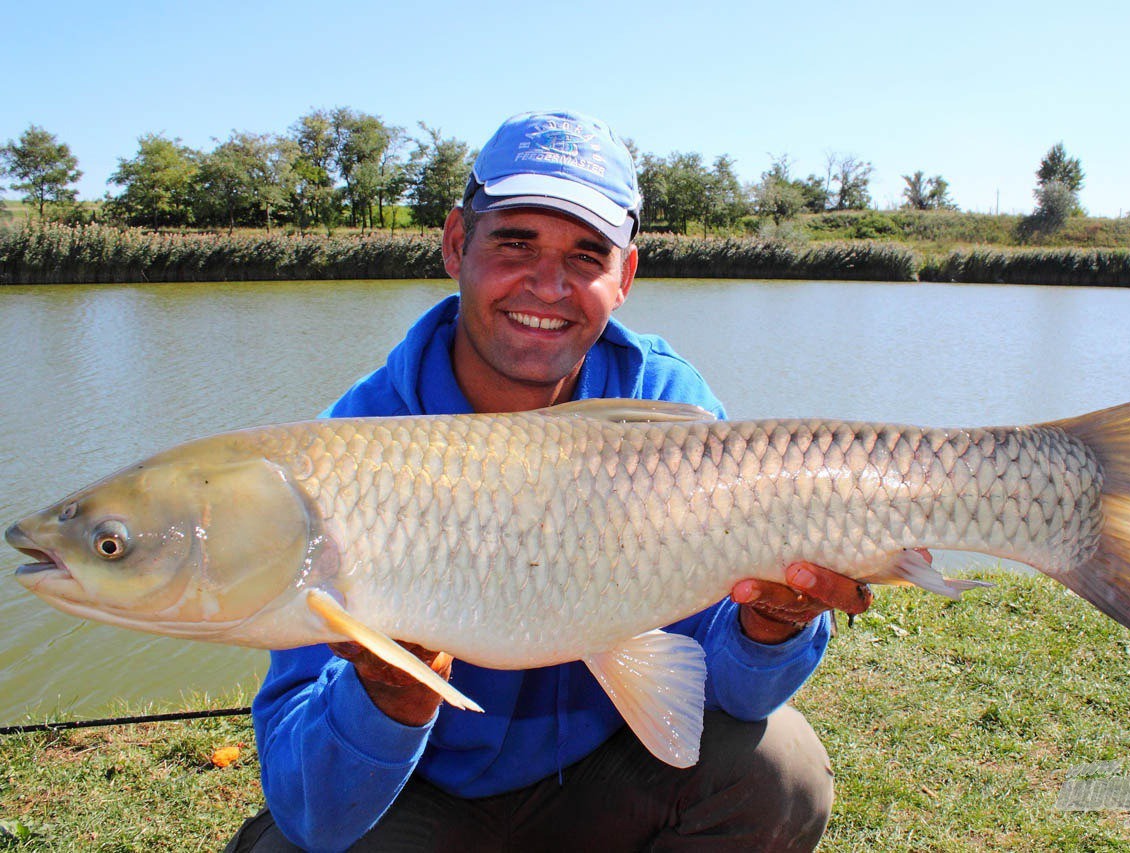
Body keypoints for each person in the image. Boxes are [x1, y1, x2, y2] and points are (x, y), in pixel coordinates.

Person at [225, 110, 876, 853]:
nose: (547, 284)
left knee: (779, 767)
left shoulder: (667, 407)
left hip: (604, 775)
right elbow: (313, 808)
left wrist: (771, 624)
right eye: (515, 242)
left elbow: (735, 690)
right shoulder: (346, 451)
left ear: (624, 276)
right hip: (424, 796)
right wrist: (388, 694)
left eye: (586, 255)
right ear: (454, 243)